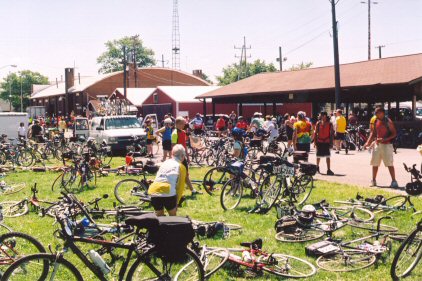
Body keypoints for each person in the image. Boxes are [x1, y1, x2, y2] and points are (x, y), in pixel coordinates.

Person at [147, 144, 187, 216]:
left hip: (154, 191)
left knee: (159, 218)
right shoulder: (181, 167)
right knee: (172, 218)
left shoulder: (165, 162)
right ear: (182, 156)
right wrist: (176, 203)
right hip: (168, 193)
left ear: (172, 154)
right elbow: (180, 187)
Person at [364, 106, 398, 188]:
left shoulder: (388, 121)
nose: (375, 114)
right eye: (375, 112)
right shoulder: (375, 120)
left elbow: (394, 133)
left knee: (389, 164)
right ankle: (373, 180)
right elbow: (373, 133)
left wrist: (384, 139)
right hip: (377, 145)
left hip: (387, 145)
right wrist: (367, 142)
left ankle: (394, 181)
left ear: (382, 113)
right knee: (374, 163)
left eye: (377, 112)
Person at [171, 116, 200, 194]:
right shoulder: (174, 133)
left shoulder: (183, 132)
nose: (184, 125)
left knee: (185, 174)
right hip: (178, 157)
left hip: (183, 156)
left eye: (184, 124)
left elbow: (185, 145)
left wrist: (187, 156)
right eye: (182, 124)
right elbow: (173, 146)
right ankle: (191, 190)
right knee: (181, 175)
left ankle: (191, 190)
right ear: (177, 124)